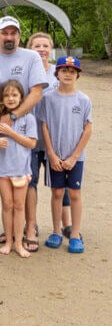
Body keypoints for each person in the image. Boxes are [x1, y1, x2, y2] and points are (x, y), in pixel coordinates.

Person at [0, 16, 47, 251]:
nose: (9, 37)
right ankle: (10, 232)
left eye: (13, 33)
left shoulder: (31, 57)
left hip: (20, 128)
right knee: (6, 194)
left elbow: (35, 93)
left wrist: (12, 118)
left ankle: (30, 230)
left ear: (19, 36)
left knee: (27, 183)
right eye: (5, 33)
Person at [41, 56, 92, 254]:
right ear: (57, 74)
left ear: (77, 74)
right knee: (56, 193)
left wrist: (74, 156)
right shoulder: (48, 98)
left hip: (75, 157)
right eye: (64, 70)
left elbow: (87, 130)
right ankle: (56, 231)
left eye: (72, 71)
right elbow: (44, 126)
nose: (68, 74)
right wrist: (51, 155)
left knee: (75, 194)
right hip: (55, 155)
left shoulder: (83, 99)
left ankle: (75, 234)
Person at [27, 33, 71, 237]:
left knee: (61, 185)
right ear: (30, 48)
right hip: (33, 139)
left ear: (51, 49)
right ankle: (31, 224)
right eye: (37, 45)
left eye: (45, 45)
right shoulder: (27, 72)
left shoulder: (58, 72)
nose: (41, 49)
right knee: (31, 182)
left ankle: (67, 224)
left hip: (56, 141)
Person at [0, 80, 37, 258]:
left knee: (19, 205)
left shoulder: (29, 118)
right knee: (7, 204)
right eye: (7, 95)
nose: (11, 98)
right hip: (2, 168)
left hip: (21, 168)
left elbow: (31, 143)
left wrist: (11, 133)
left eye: (14, 95)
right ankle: (8, 241)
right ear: (2, 98)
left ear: (21, 98)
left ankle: (19, 242)